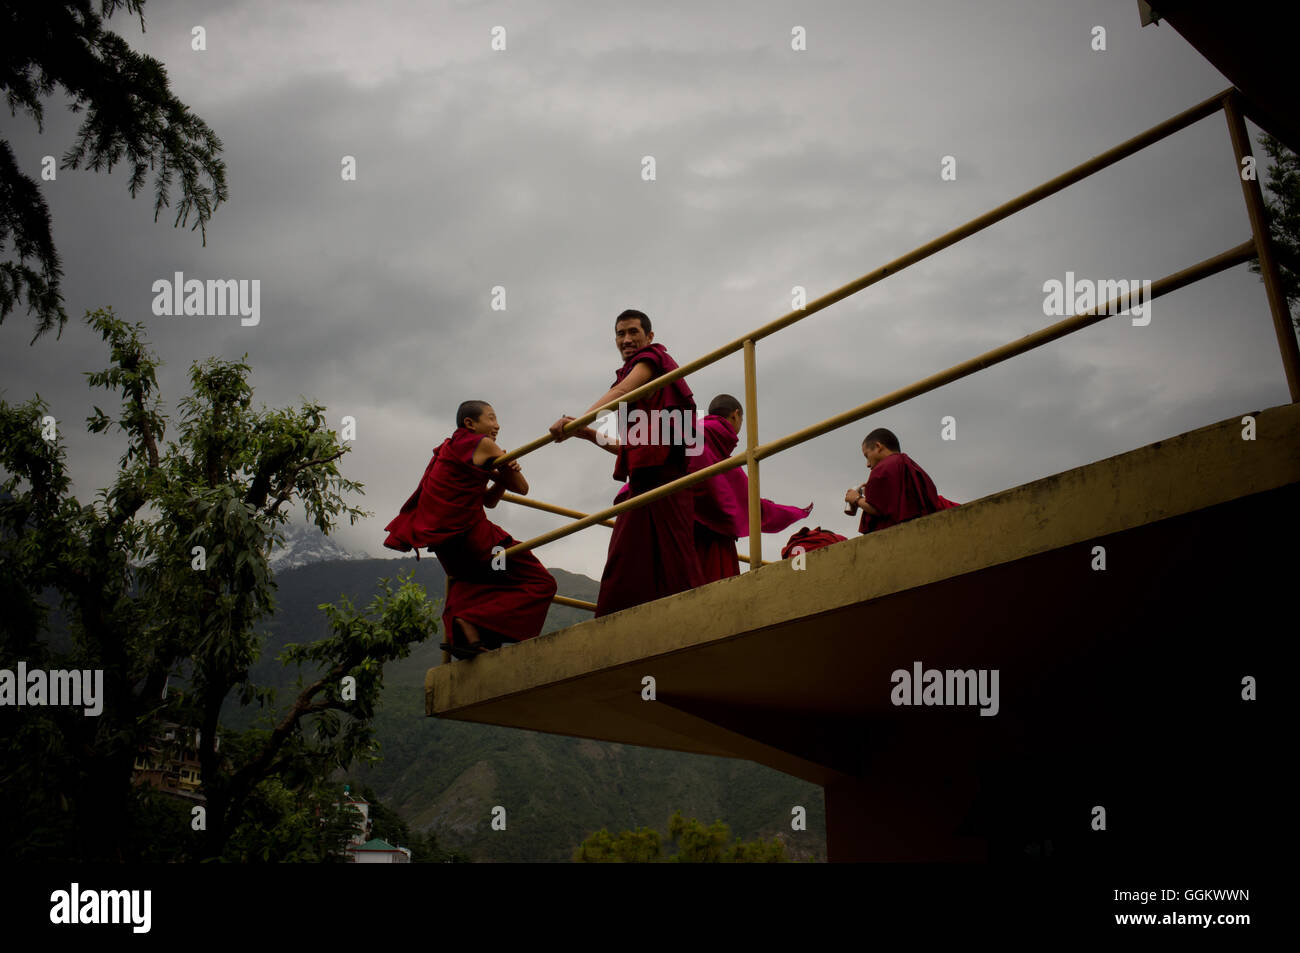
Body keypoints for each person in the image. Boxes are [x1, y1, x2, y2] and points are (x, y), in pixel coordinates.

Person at [549, 309, 704, 617]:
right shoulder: (638, 378)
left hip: (667, 479)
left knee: (673, 557)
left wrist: (575, 422)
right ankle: (619, 623)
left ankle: (695, 616)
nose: (627, 339)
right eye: (621, 334)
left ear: (650, 337)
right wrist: (588, 433)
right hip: (645, 479)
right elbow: (633, 448)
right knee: (627, 557)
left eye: (634, 332)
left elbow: (621, 391)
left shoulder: (652, 360)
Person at [383, 400, 557, 658]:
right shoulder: (482, 444)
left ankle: (471, 638)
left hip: (448, 549)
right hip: (473, 539)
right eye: (491, 418)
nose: (497, 425)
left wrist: (500, 477)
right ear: (470, 423)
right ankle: (468, 619)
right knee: (541, 582)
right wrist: (510, 467)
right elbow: (523, 488)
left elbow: (489, 501)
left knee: (478, 583)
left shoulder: (448, 449)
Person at [690, 394, 813, 581]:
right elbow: (750, 505)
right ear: (736, 415)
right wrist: (795, 512)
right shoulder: (711, 444)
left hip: (678, 530)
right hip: (709, 542)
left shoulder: (690, 432)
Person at [845, 427, 958, 534]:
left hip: (894, 534)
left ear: (878, 446)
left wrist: (856, 499)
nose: (868, 464)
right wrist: (872, 490)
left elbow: (879, 508)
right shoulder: (911, 465)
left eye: (867, 455)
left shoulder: (883, 467)